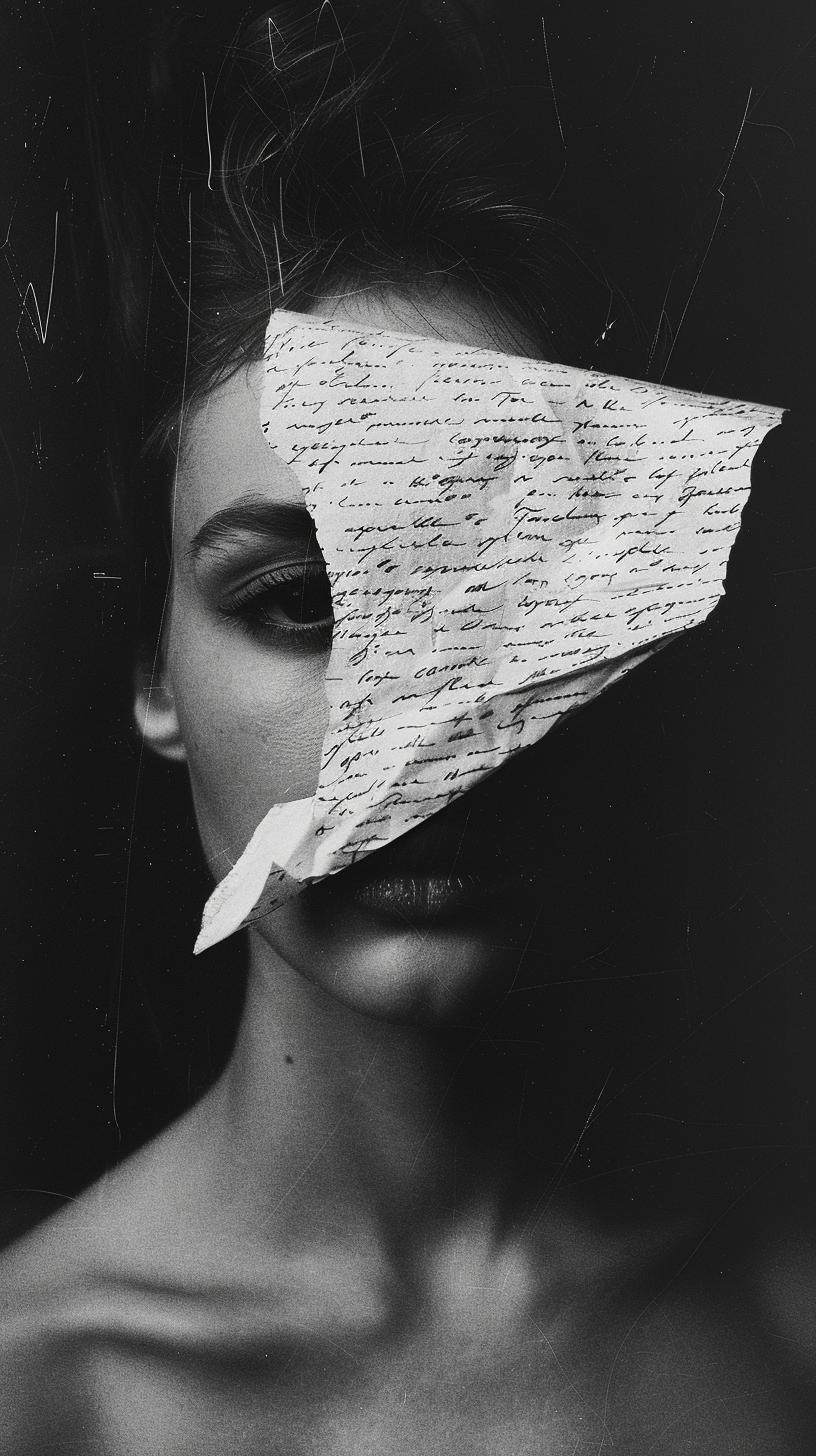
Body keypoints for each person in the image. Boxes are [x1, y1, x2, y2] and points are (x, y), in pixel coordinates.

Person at [1, 3, 812, 1450]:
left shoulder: (785, 1325)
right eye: (302, 604)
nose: (417, 719)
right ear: (154, 672)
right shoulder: (34, 1392)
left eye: (516, 588)